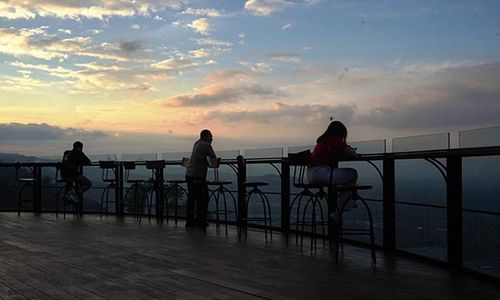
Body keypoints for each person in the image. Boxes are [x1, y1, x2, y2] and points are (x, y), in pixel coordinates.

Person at [307, 121, 358, 212]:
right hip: (322, 174)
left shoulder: (322, 141)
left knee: (347, 182)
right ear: (340, 133)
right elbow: (351, 154)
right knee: (353, 173)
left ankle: (341, 208)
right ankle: (342, 207)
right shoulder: (334, 140)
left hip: (311, 175)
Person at [185, 129, 216, 229]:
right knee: (203, 198)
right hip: (198, 176)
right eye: (210, 136)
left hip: (189, 174)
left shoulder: (196, 143)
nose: (212, 138)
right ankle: (201, 221)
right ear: (206, 136)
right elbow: (213, 159)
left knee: (192, 198)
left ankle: (190, 221)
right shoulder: (206, 145)